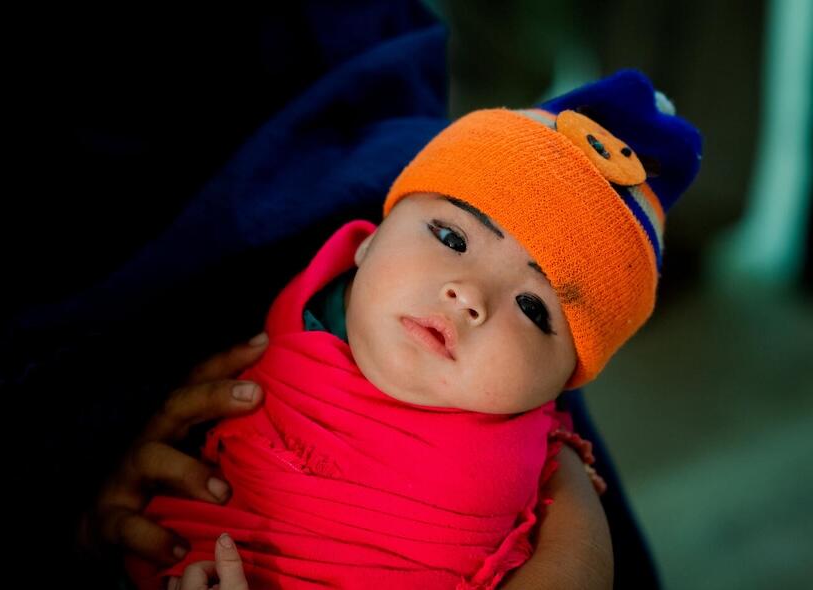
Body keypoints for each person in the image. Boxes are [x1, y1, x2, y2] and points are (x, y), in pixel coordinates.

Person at [115, 69, 703, 589]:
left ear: (561, 381)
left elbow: (582, 570)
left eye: (533, 307)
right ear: (368, 243)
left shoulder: (543, 462)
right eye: (451, 238)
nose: (469, 295)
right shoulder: (273, 311)